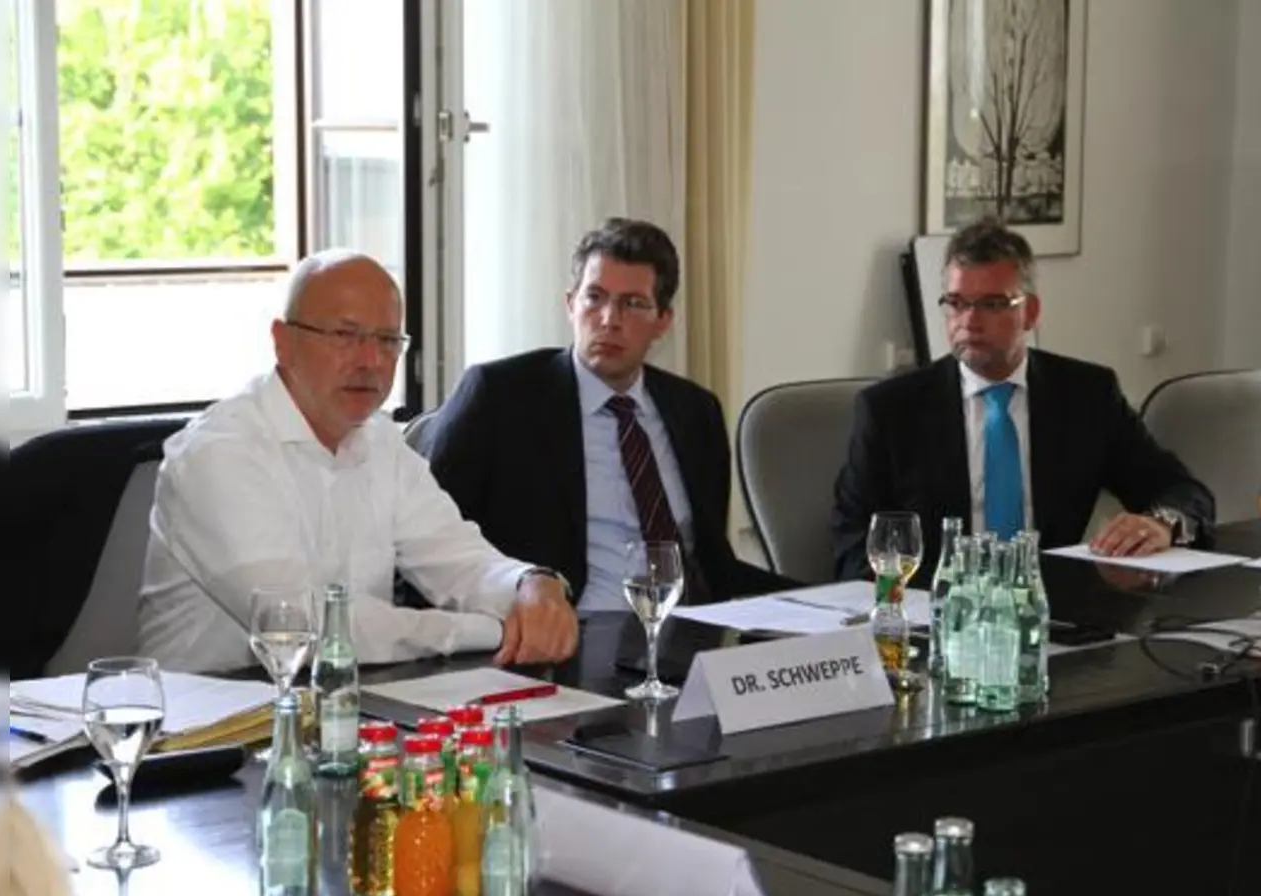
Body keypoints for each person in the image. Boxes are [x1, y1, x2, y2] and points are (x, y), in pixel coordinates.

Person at [138, 250, 578, 673]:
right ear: (283, 342)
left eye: (387, 340)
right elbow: (300, 626)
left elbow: (458, 559)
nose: (371, 361)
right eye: (345, 336)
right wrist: (495, 629)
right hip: (204, 731)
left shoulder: (381, 441)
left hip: (345, 708)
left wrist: (530, 585)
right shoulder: (219, 453)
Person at [421, 217, 797, 613]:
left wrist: (828, 602)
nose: (609, 319)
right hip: (571, 633)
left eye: (633, 304)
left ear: (663, 321)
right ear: (570, 304)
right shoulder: (501, 396)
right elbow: (429, 542)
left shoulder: (694, 411)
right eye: (594, 297)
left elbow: (712, 563)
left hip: (687, 631)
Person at [832, 217, 1214, 586]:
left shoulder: (1086, 395)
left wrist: (1162, 523)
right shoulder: (891, 411)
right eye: (956, 302)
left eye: (991, 304)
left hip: (1054, 613)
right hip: (938, 614)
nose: (969, 321)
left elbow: (1183, 491)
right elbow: (852, 549)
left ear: (1030, 311)